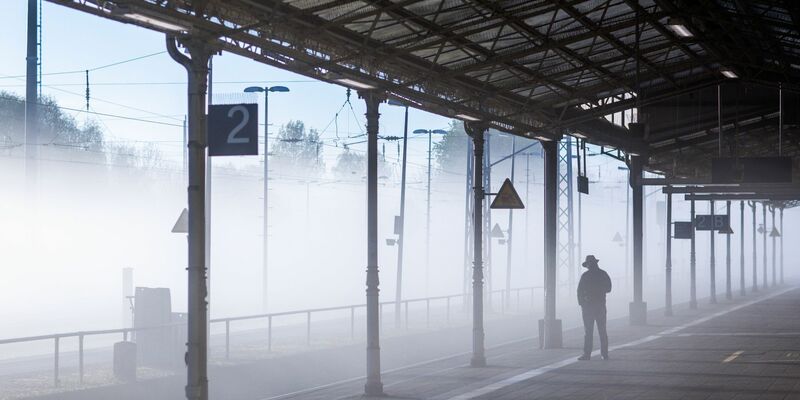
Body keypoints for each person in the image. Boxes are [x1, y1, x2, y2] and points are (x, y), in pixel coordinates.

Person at [577, 255, 611, 361]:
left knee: (588, 332)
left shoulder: (585, 276)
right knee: (602, 330)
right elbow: (609, 288)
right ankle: (604, 354)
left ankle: (587, 354)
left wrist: (582, 303)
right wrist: (600, 291)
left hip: (588, 307)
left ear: (588, 265)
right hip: (600, 305)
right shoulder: (603, 274)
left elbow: (579, 291)